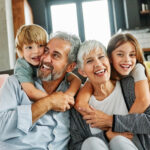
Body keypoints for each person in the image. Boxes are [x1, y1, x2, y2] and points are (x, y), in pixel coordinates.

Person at [0, 31, 81, 149]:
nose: (46, 58)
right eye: (46, 51)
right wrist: (48, 102)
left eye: (56, 55)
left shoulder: (76, 93)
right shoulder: (15, 83)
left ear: (70, 67)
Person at [69, 40, 150, 150]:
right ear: (83, 72)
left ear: (109, 60)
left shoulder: (130, 86)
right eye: (89, 61)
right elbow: (75, 145)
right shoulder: (78, 106)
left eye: (101, 57)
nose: (98, 64)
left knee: (119, 141)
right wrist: (107, 136)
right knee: (90, 142)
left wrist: (112, 121)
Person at [75, 33, 150, 116]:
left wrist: (115, 124)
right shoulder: (100, 76)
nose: (127, 60)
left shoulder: (137, 69)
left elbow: (144, 100)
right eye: (120, 54)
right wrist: (81, 103)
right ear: (110, 57)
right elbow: (84, 95)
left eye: (132, 55)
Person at [15, 24, 81, 101]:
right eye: (46, 51)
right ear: (21, 51)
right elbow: (30, 92)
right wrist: (53, 101)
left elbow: (76, 80)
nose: (36, 51)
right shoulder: (22, 67)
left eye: (40, 46)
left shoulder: (78, 92)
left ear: (70, 67)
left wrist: (68, 95)